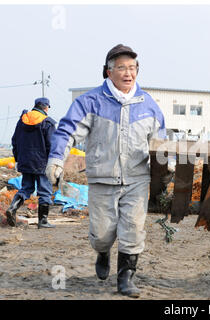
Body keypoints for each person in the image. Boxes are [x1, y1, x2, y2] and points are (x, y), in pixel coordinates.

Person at [45, 44, 166, 298]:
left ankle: (126, 277)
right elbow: (67, 131)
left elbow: (161, 144)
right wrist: (56, 160)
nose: (128, 73)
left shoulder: (149, 106)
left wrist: (168, 168)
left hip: (136, 179)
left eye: (132, 68)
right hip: (102, 179)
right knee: (102, 234)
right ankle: (102, 252)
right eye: (121, 67)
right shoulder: (90, 102)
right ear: (108, 72)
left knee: (133, 228)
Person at [6, 97, 56, 229]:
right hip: (42, 163)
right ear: (46, 107)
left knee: (26, 188)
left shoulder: (22, 120)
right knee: (44, 191)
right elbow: (52, 145)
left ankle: (12, 208)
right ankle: (43, 221)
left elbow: (15, 141)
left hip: (25, 161)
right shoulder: (47, 122)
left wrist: (18, 159)